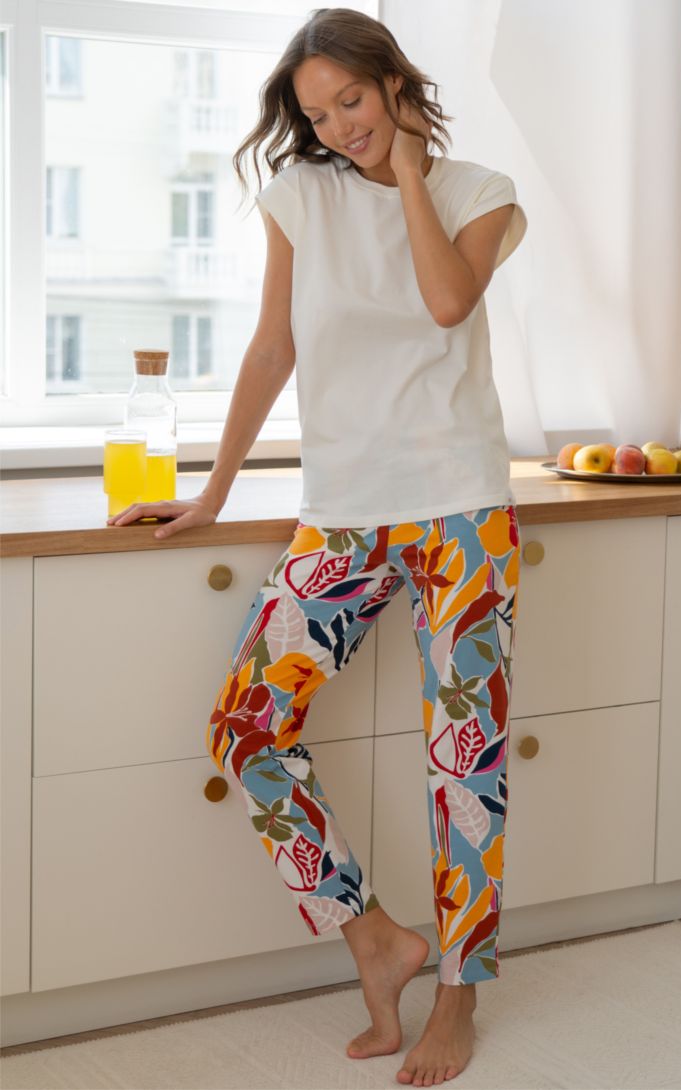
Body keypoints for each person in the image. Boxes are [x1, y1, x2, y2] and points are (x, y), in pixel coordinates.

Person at [107, 8, 527, 1085]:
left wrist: (412, 173)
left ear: (395, 85)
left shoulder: (479, 194)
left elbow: (446, 301)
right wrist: (211, 491)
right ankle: (375, 938)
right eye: (318, 112)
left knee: (465, 760)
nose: (339, 125)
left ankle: (459, 993)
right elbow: (272, 346)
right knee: (245, 727)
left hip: (460, 513)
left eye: (352, 98)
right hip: (343, 513)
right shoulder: (299, 196)